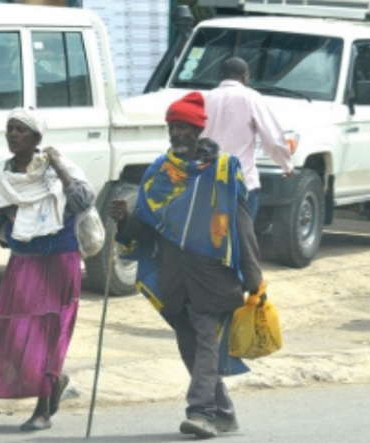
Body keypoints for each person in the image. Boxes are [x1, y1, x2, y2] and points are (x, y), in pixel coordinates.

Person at [110, 92, 264, 439]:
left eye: (184, 128)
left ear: (197, 131)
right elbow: (145, 224)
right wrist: (124, 219)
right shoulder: (160, 173)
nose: (177, 134)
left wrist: (253, 277)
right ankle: (224, 412)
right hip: (174, 278)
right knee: (190, 349)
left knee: (207, 342)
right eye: (173, 127)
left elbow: (241, 223)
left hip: (213, 275)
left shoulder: (223, 171)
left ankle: (201, 413)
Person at [0, 108, 94, 431]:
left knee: (52, 332)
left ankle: (43, 407)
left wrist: (60, 168)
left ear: (37, 138)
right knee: (16, 331)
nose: (12, 135)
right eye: (9, 129)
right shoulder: (2, 175)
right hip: (23, 260)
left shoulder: (55, 169)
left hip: (60, 259)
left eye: (20, 130)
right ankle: (57, 379)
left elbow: (83, 202)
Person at [201, 56, 293, 219]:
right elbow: (272, 136)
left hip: (208, 181)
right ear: (245, 76)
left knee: (211, 236)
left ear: (221, 76)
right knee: (242, 236)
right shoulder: (250, 97)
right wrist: (286, 164)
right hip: (242, 182)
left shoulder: (206, 99)